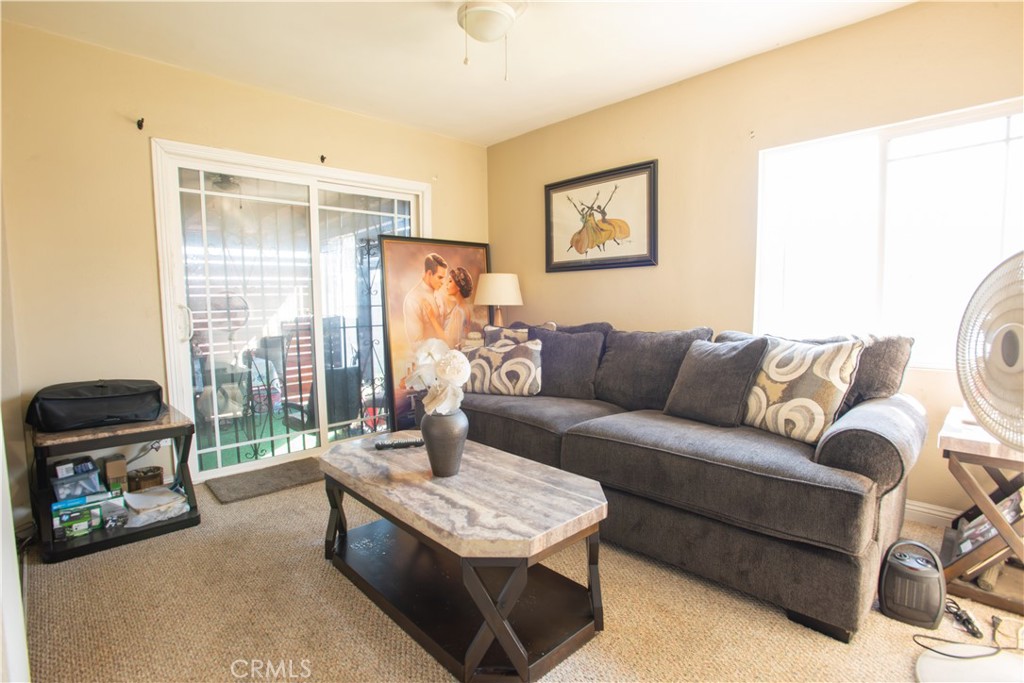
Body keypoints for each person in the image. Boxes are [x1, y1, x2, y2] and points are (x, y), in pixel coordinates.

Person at [403, 252, 447, 345]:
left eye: (444, 278)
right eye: (440, 277)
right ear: (429, 273)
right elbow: (416, 343)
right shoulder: (413, 299)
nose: (443, 282)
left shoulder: (440, 294)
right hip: (427, 357)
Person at [439, 266, 474, 349]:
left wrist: (432, 318)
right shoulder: (465, 308)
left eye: (450, 281)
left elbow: (451, 342)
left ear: (458, 287)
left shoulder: (458, 311)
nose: (446, 284)